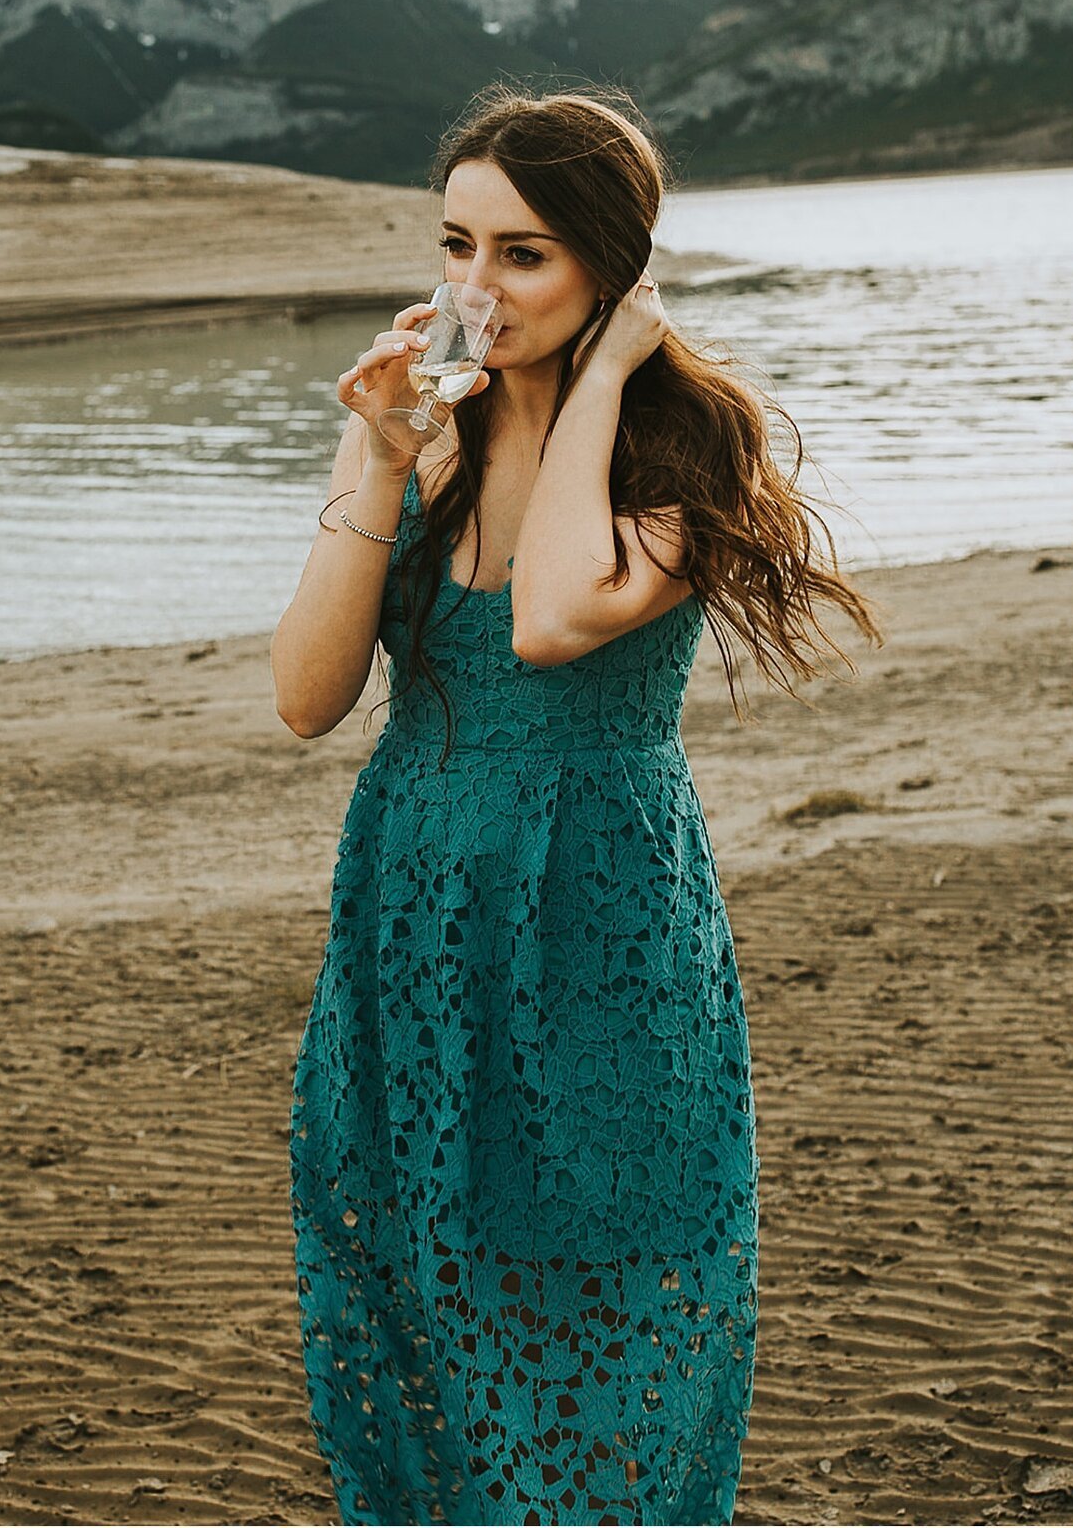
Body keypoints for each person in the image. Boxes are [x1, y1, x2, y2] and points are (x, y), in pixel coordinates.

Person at [270, 86, 881, 1524]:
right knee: (417, 1298)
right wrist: (374, 455)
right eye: (456, 245)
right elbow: (304, 696)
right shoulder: (419, 443)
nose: (475, 289)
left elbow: (549, 619)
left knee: (607, 1313)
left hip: (598, 928)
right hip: (409, 927)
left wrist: (600, 386)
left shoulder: (685, 457)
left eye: (524, 254)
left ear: (613, 269)